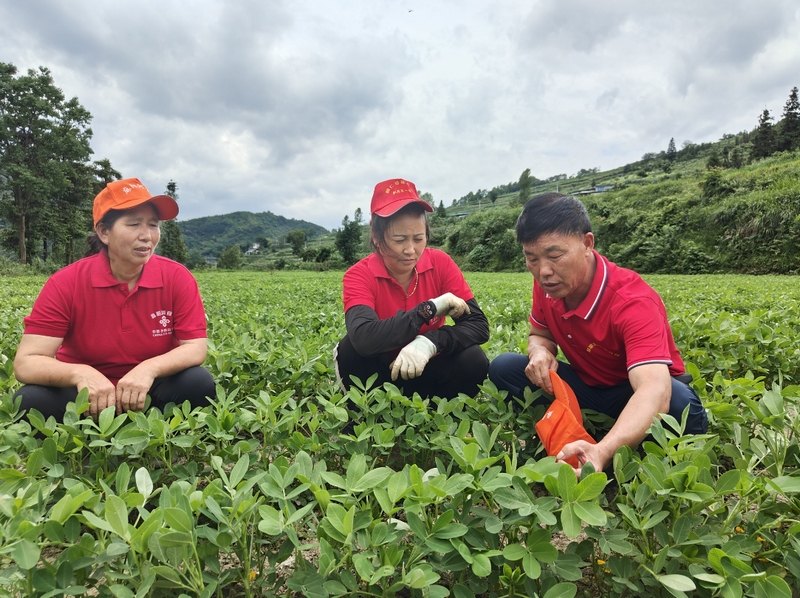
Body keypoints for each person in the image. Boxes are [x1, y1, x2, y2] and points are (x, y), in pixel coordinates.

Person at [489, 192, 707, 473]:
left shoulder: (632, 301)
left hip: (633, 392)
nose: (543, 271)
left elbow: (654, 388)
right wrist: (540, 351)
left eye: (555, 255)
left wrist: (602, 451)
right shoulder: (550, 284)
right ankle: (557, 436)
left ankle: (613, 450)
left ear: (587, 244)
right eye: (531, 259)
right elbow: (538, 334)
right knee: (505, 367)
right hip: (589, 388)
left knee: (678, 401)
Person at [13, 177, 215, 422]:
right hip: (84, 394)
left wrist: (149, 369)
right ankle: (109, 427)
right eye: (134, 224)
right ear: (104, 232)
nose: (147, 236)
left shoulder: (177, 277)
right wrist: (80, 374)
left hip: (150, 389)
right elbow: (27, 362)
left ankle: (136, 428)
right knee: (28, 400)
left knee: (198, 383)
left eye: (153, 225)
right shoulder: (66, 283)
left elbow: (195, 348)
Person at [334, 178, 489, 400]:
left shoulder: (440, 263)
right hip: (382, 375)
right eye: (399, 240)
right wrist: (429, 309)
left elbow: (478, 325)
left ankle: (436, 419)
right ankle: (370, 413)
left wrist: (431, 342)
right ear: (376, 237)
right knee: (351, 350)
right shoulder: (359, 274)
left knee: (473, 358)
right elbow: (364, 337)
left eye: (419, 238)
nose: (410, 250)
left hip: (429, 369)